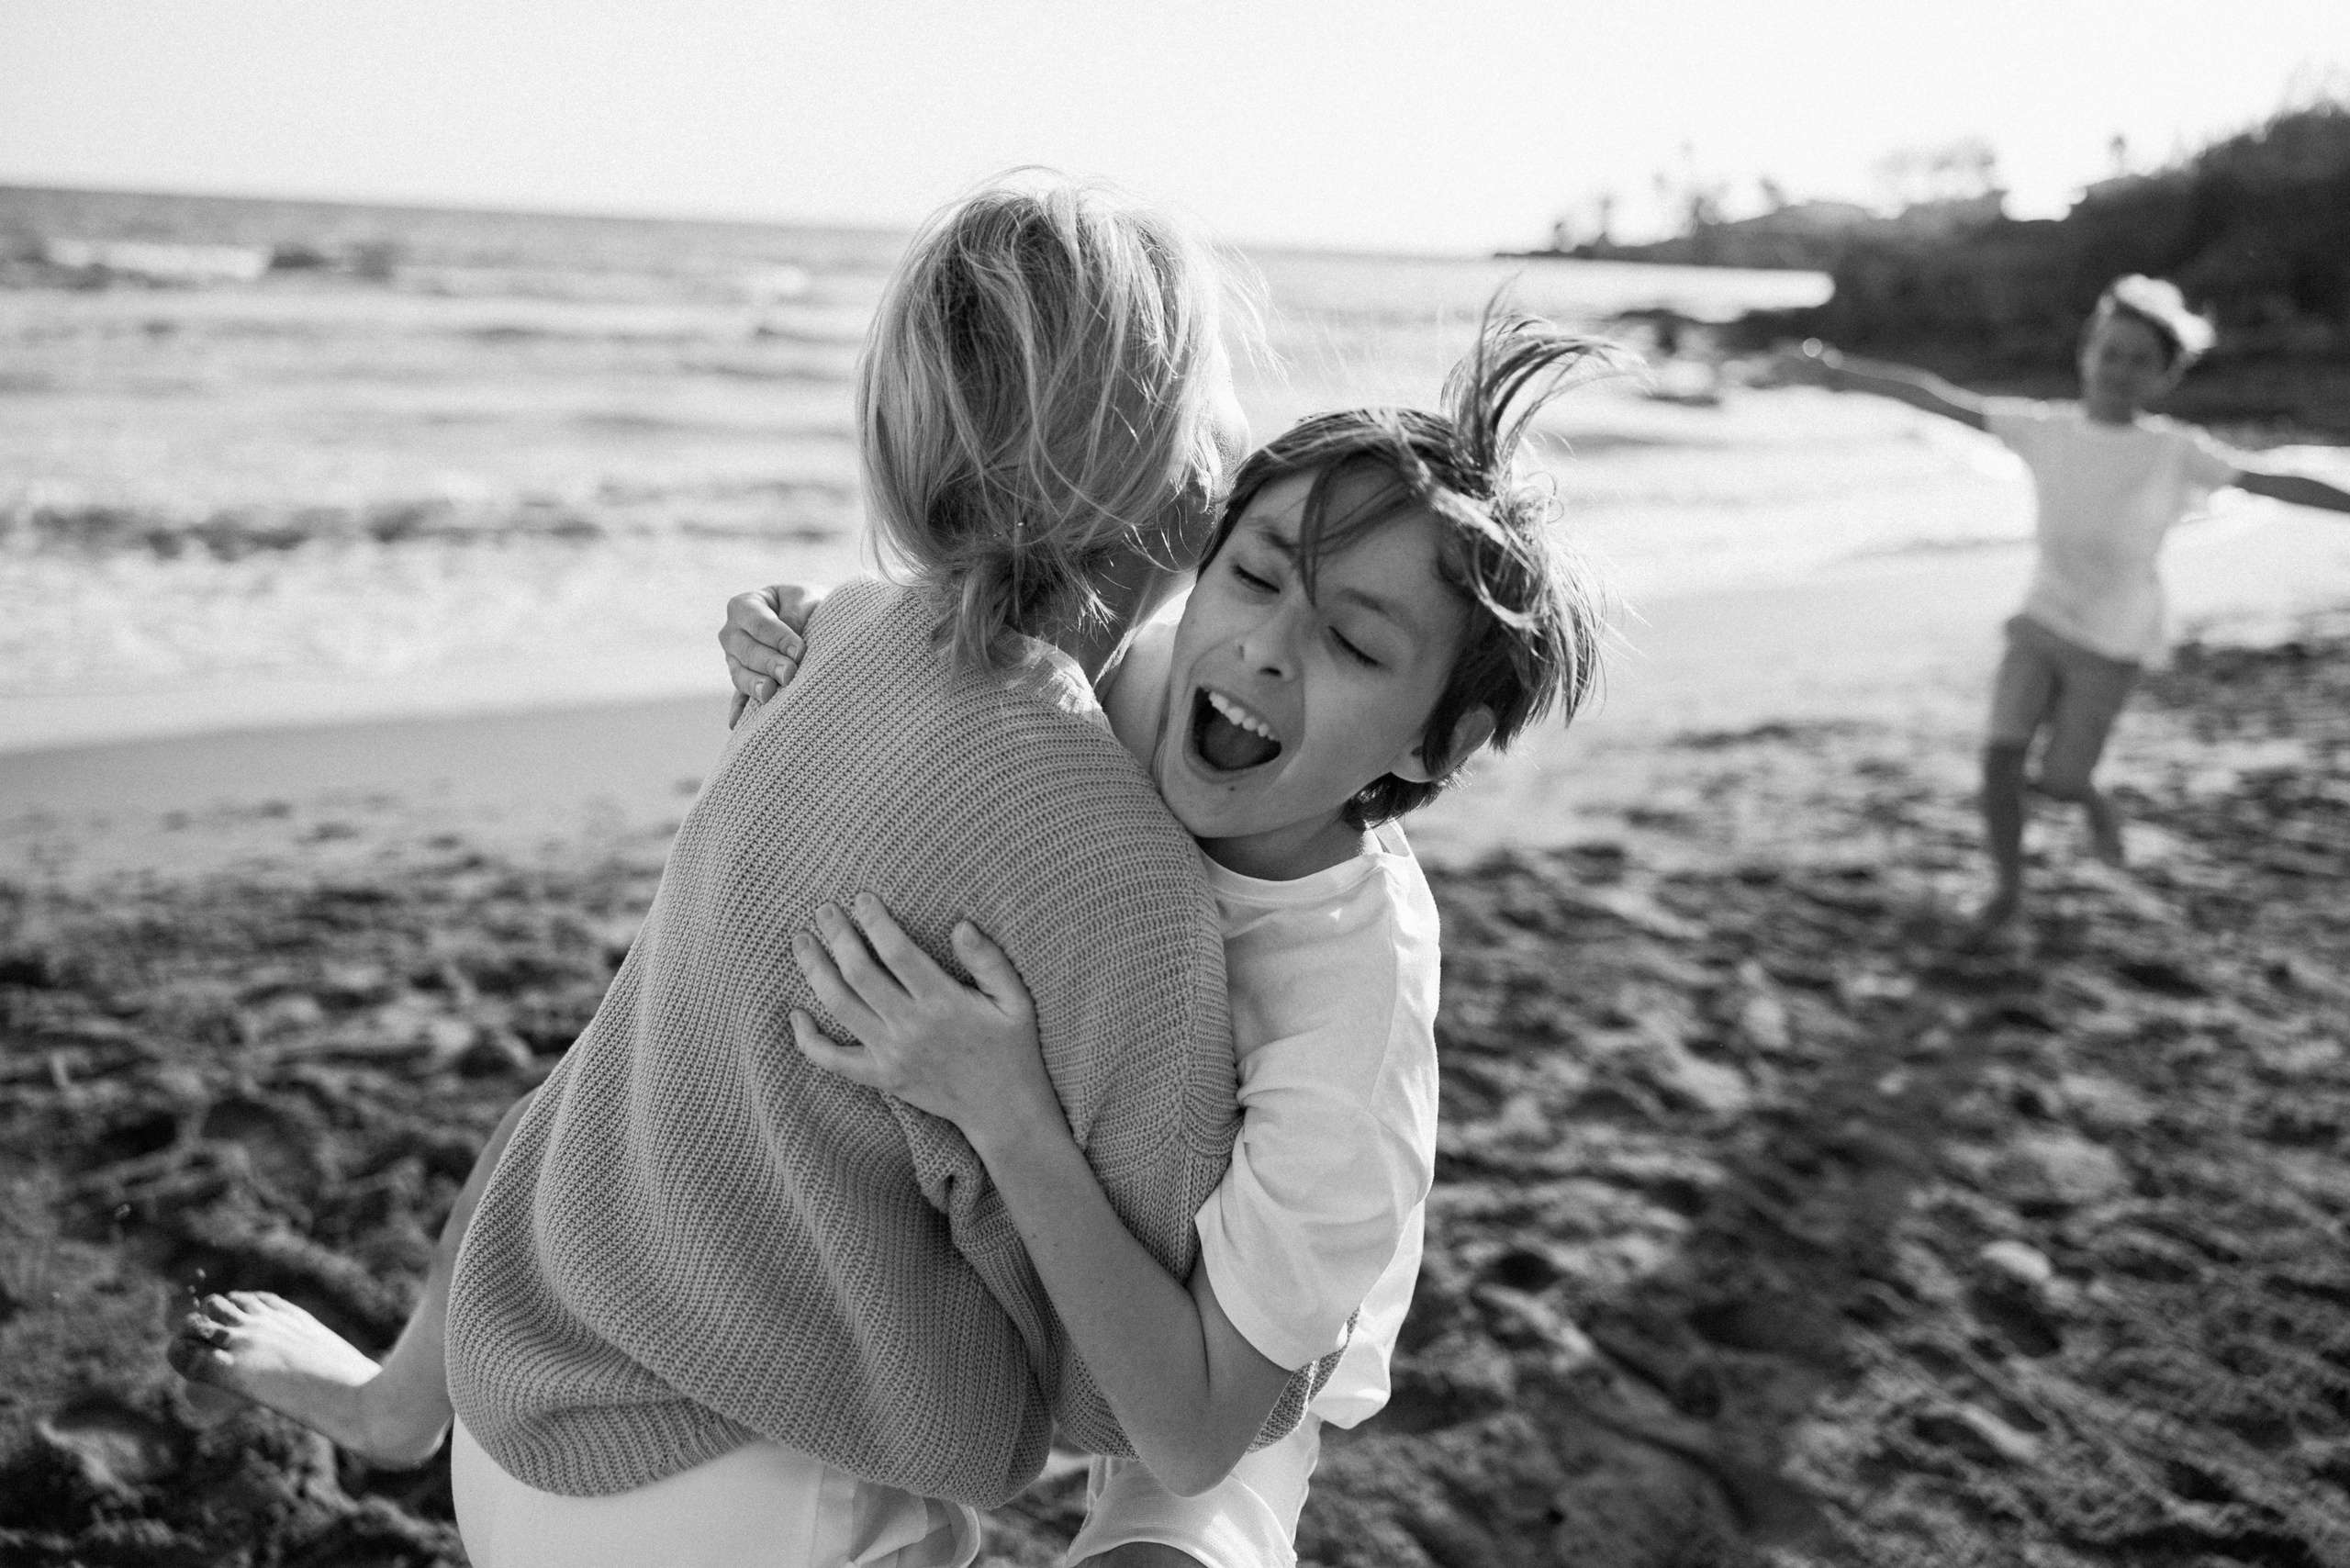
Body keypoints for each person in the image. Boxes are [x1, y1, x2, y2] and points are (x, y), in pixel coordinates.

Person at [173, 173, 1292, 1568]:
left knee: (645, 1034)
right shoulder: (1126, 878)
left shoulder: (835, 642)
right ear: (1169, 465)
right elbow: (1140, 1393)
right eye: (1225, 392)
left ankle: (398, 1403)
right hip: (754, 1509)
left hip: (522, 1409)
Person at [723, 315, 1613, 1566]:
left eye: (1355, 643)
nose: (1265, 647)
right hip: (1022, 1272)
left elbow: (1199, 1426)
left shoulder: (1352, 1022)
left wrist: (1005, 1111)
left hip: (1228, 1353)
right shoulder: (1125, 684)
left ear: (1436, 748)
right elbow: (951, 647)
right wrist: (799, 628)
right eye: (1251, 577)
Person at [1779, 274, 2350, 936]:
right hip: (2043, 618)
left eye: (2141, 360)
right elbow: (1941, 400)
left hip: (2113, 640)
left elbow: (2269, 477)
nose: (2121, 370)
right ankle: (2008, 890)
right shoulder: (2044, 430)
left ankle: (2091, 799)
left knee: (2058, 782)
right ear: (2087, 355)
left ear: (2164, 377)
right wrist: (1839, 373)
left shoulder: (2173, 450)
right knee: (1999, 759)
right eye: (2112, 353)